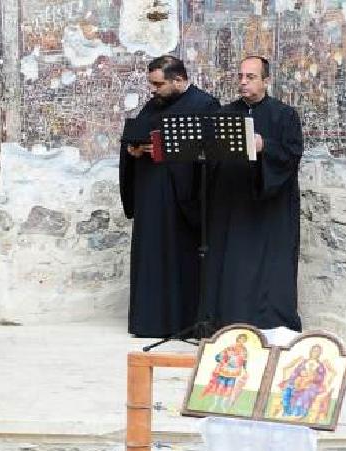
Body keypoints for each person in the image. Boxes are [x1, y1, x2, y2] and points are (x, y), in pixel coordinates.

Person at [119, 55, 220, 338]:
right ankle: (149, 322)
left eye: (158, 84)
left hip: (181, 199)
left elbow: (212, 154)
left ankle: (181, 321)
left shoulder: (205, 105)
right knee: (150, 257)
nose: (153, 90)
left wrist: (170, 153)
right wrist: (134, 150)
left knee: (180, 258)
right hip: (150, 194)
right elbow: (135, 136)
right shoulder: (155, 104)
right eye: (151, 84)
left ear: (178, 80)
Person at [205, 56, 303, 331]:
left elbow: (292, 154)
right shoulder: (224, 114)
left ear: (266, 81)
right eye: (240, 76)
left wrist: (265, 147)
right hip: (232, 202)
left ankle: (270, 321)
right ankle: (229, 319)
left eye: (250, 77)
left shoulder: (284, 115)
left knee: (271, 264)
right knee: (233, 263)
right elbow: (210, 156)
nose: (243, 82)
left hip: (270, 206)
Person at [201, 333, 249, 412]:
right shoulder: (231, 347)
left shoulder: (244, 350)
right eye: (241, 339)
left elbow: (244, 361)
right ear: (238, 338)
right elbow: (219, 356)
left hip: (234, 372)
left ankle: (223, 405)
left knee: (229, 389)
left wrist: (245, 369)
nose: (242, 340)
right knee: (220, 387)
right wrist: (223, 361)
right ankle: (215, 404)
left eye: (244, 339)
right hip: (224, 370)